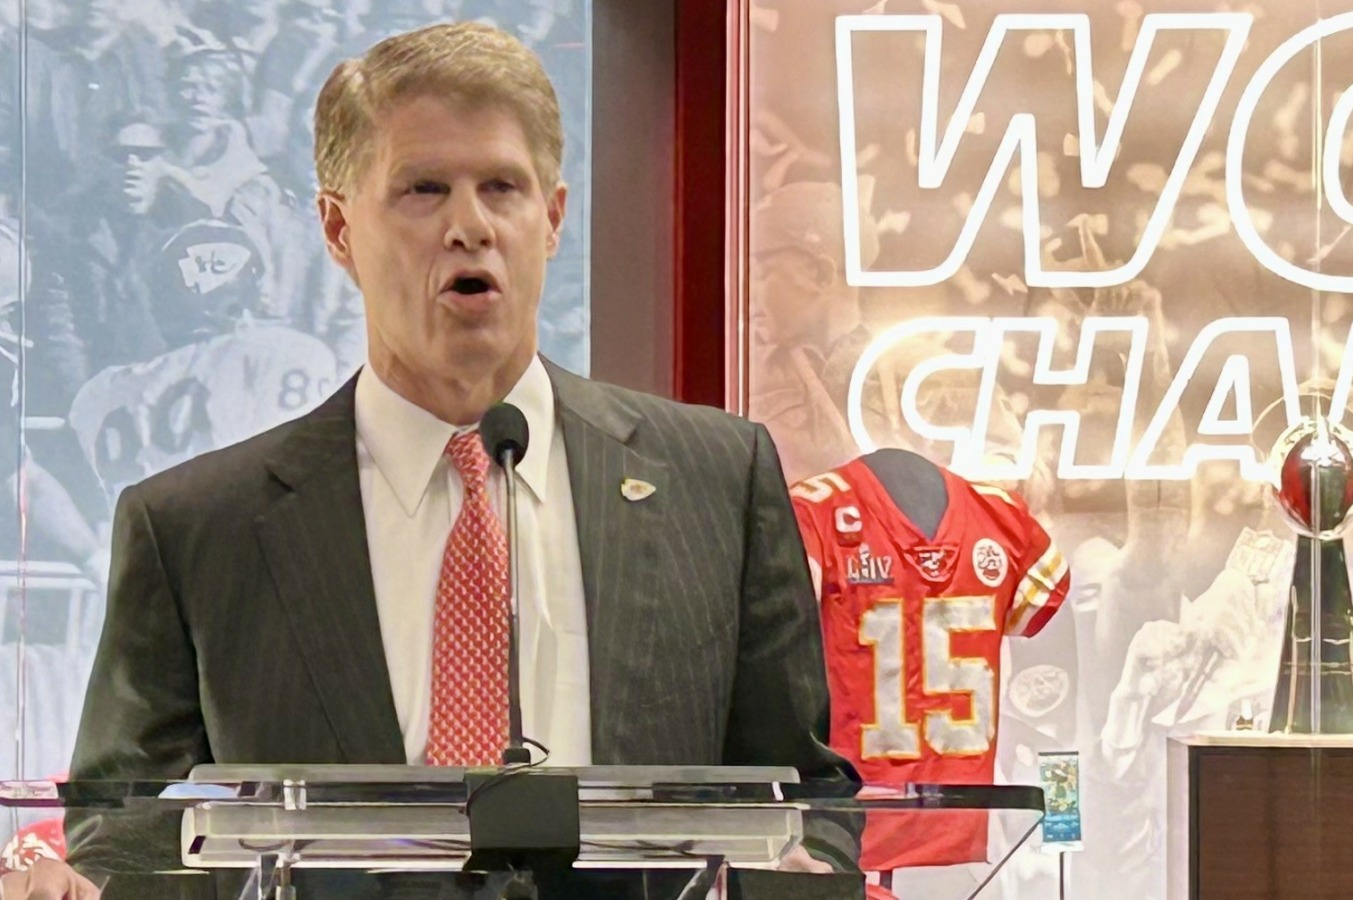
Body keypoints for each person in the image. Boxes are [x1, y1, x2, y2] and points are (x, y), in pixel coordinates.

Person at [9, 20, 853, 900]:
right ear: (338, 229)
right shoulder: (195, 530)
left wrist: (805, 874)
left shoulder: (718, 481)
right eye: (422, 189)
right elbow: (128, 835)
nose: (470, 227)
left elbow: (807, 795)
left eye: (502, 187)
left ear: (553, 218)